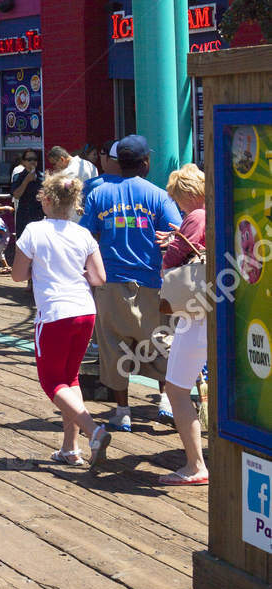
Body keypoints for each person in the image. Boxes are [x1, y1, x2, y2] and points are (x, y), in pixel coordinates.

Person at [80, 133, 182, 433]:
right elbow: (177, 233)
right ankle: (165, 403)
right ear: (145, 162)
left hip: (110, 283)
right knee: (161, 342)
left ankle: (122, 412)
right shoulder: (157, 195)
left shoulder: (99, 194)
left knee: (113, 347)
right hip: (151, 281)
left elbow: (86, 236)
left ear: (116, 162)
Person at [11, 173, 111, 469]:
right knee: (71, 378)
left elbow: (17, 275)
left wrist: (37, 270)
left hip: (54, 314)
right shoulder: (82, 234)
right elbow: (99, 278)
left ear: (47, 200)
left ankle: (95, 431)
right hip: (84, 311)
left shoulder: (33, 231)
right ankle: (70, 448)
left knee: (52, 381)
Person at [156, 164, 209, 486]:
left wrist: (174, 242)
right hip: (220, 311)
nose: (178, 204)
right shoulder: (217, 211)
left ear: (188, 194)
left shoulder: (196, 215)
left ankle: (195, 465)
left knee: (175, 389)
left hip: (196, 316)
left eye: (178, 198)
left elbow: (170, 261)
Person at [11, 149, 44, 241]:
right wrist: (26, 180)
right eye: (29, 159)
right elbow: (16, 195)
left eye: (35, 159)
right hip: (24, 215)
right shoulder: (18, 176)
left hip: (38, 215)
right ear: (23, 162)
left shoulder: (42, 176)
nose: (32, 161)